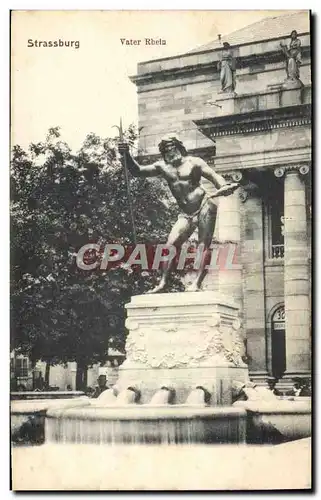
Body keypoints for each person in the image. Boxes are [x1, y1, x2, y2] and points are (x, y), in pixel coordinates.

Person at [119, 135, 239, 293]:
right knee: (169, 245)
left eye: (173, 148)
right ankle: (163, 283)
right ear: (163, 153)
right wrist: (126, 154)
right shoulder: (162, 167)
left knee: (203, 245)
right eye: (166, 150)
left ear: (179, 148)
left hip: (204, 204)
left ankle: (197, 282)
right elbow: (138, 171)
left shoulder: (194, 162)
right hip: (185, 213)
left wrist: (224, 185)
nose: (170, 152)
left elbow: (213, 176)